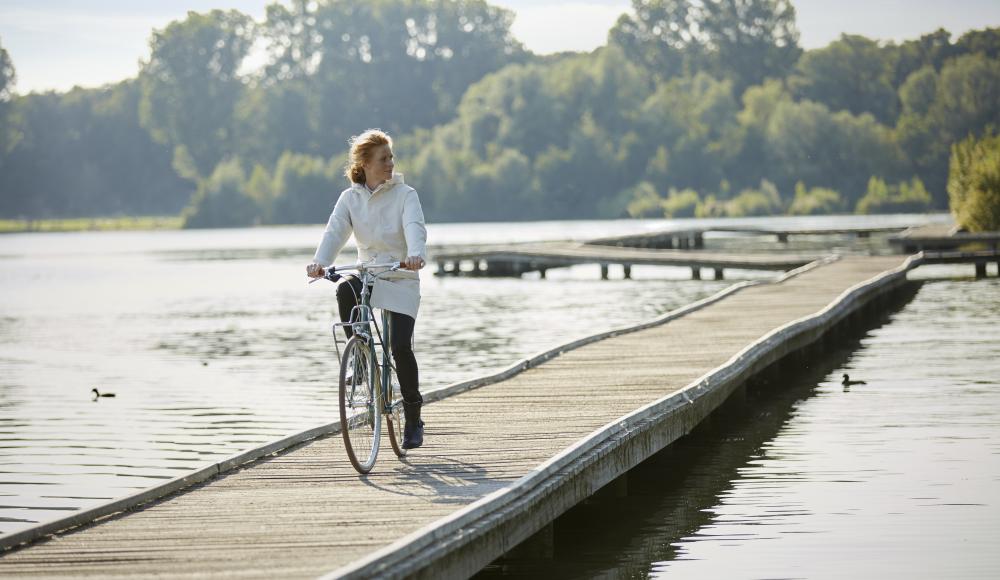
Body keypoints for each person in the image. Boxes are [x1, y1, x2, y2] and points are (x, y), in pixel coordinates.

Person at [306, 129, 428, 449]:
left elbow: (415, 227)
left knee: (400, 347)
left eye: (391, 157)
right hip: (370, 275)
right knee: (345, 289)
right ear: (364, 163)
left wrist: (416, 255)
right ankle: (361, 361)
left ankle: (414, 418)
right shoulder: (350, 199)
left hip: (401, 276)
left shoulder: (405, 194)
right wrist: (319, 262)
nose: (390, 164)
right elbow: (335, 231)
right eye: (383, 159)